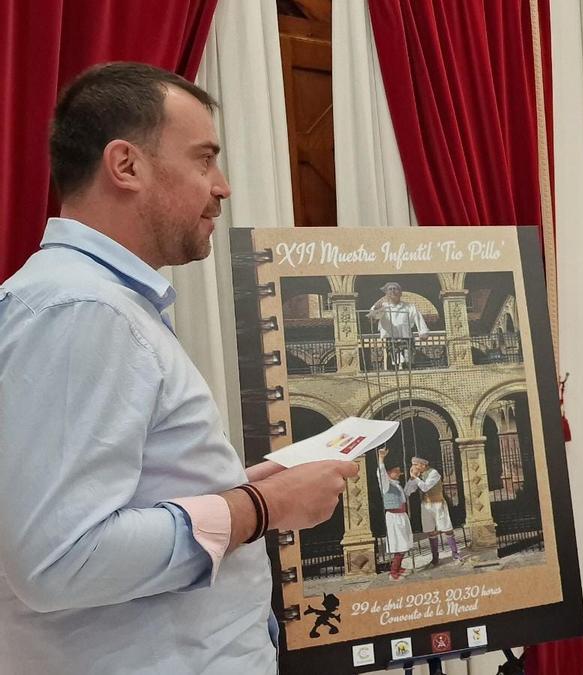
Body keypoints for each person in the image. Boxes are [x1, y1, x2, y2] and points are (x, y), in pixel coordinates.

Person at [0, 62, 358, 674]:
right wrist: (264, 508)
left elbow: (116, 498)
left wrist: (253, 485)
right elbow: (59, 559)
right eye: (203, 159)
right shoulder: (83, 310)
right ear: (126, 166)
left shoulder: (95, 303)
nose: (221, 186)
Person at [409, 456, 463, 564]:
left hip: (438, 504)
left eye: (416, 464)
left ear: (423, 465)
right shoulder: (418, 475)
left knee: (446, 528)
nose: (413, 467)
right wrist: (412, 479)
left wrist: (415, 478)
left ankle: (455, 555)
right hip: (426, 505)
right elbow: (410, 490)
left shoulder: (434, 473)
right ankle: (435, 558)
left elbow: (425, 487)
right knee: (431, 531)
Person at [377, 447, 418, 579]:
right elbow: (381, 474)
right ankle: (393, 573)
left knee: (404, 543)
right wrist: (381, 459)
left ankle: (399, 567)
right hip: (394, 517)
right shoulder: (386, 485)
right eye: (397, 471)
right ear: (389, 473)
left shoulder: (396, 485)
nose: (399, 473)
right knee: (399, 544)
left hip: (402, 515)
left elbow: (407, 492)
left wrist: (412, 479)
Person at [367, 281, 429, 369]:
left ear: (400, 293)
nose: (392, 291)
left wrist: (423, 332)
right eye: (390, 289)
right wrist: (375, 310)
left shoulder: (410, 306)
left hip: (406, 338)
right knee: (394, 362)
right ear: (386, 293)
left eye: (395, 289)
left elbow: (418, 318)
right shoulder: (382, 306)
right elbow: (371, 318)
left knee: (408, 363)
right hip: (390, 339)